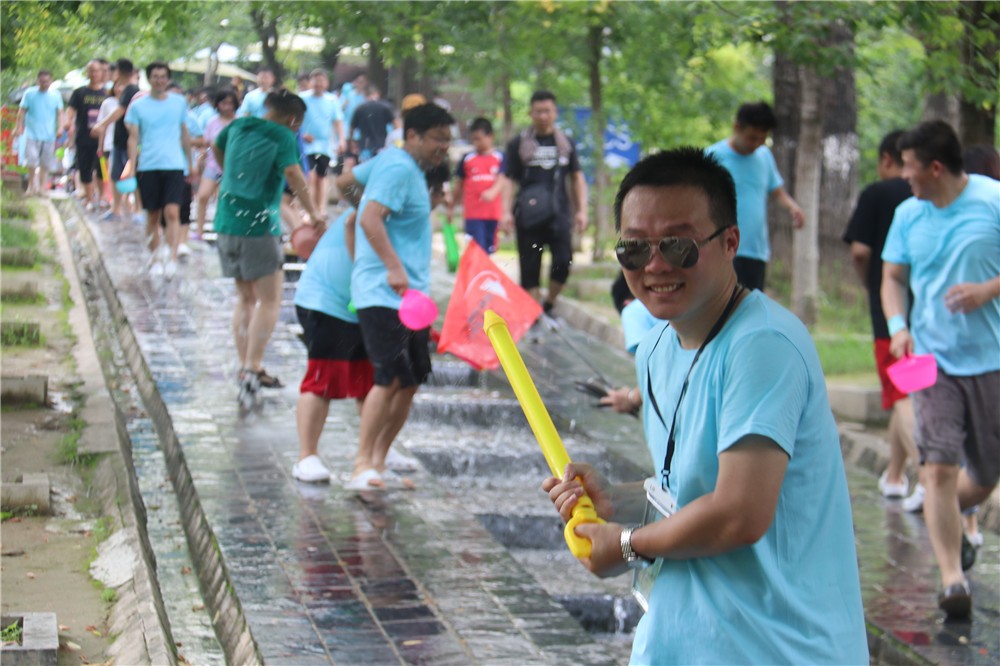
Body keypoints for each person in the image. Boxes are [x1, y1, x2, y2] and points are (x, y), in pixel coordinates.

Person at [543, 147, 868, 663]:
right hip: (680, 642)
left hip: (775, 649)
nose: (655, 265)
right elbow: (687, 491)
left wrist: (625, 543)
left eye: (679, 245)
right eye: (634, 248)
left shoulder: (762, 345)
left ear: (730, 241)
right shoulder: (656, 347)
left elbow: (738, 513)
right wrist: (617, 502)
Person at [881, 120, 999, 619]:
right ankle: (952, 579)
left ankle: (953, 510)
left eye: (909, 167)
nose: (903, 176)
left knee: (986, 475)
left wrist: (988, 290)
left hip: (992, 359)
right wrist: (898, 326)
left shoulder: (993, 201)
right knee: (939, 467)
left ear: (934, 168)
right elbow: (892, 276)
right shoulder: (908, 214)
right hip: (928, 358)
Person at [346, 103, 453, 490]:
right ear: (412, 136)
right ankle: (362, 464)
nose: (444, 147)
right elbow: (369, 217)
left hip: (411, 298)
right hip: (385, 292)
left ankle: (379, 459)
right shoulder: (397, 168)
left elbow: (345, 183)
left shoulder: (400, 167)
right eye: (437, 138)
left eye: (447, 139)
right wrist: (391, 266)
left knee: (411, 380)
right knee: (389, 377)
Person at [212, 90, 327, 403]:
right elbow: (293, 174)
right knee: (270, 300)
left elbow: (217, 149)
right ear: (292, 119)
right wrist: (314, 213)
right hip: (258, 226)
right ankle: (252, 368)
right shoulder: (283, 135)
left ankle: (246, 367)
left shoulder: (238, 125)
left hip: (226, 221)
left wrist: (233, 178)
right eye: (298, 125)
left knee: (245, 298)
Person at [842, 130, 917, 500]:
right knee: (908, 387)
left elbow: (860, 251)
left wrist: (871, 283)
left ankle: (927, 473)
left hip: (890, 311)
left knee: (902, 392)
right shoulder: (926, 194)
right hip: (927, 310)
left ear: (888, 158)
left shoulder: (877, 193)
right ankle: (895, 475)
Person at [292, 207, 373, 483]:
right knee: (322, 378)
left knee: (371, 380)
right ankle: (306, 456)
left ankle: (377, 451)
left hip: (359, 303)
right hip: (326, 300)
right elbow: (352, 223)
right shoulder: (386, 195)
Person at [499, 90, 588, 316]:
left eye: (547, 111)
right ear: (530, 113)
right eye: (538, 111)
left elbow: (577, 178)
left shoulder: (565, 143)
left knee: (563, 261)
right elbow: (508, 179)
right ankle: (534, 313)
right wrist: (505, 212)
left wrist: (582, 211)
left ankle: (549, 303)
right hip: (528, 216)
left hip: (559, 214)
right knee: (530, 268)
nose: (543, 116)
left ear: (555, 112)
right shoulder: (518, 143)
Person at [706, 101, 805, 291]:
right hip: (722, 250)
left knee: (752, 306)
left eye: (762, 138)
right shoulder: (712, 157)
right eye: (752, 137)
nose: (757, 144)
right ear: (737, 127)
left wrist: (793, 207)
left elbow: (778, 191)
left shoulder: (764, 156)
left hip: (755, 252)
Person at [124, 62, 193, 280]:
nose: (159, 80)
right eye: (155, 76)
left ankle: (171, 258)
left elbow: (184, 133)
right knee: (152, 214)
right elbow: (133, 138)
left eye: (163, 76)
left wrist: (190, 163)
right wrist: (132, 165)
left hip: (174, 165)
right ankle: (154, 256)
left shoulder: (179, 103)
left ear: (168, 79)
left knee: (172, 212)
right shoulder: (138, 107)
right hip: (148, 165)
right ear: (149, 78)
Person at [89, 59, 140, 222]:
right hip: (119, 141)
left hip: (129, 141)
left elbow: (120, 110)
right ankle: (116, 209)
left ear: (119, 72)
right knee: (115, 175)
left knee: (133, 175)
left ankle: (137, 210)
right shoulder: (125, 90)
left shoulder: (132, 89)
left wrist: (101, 125)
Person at [449, 117, 504, 255]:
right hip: (473, 214)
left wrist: (505, 210)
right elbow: (458, 185)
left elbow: (505, 181)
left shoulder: (500, 158)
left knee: (489, 251)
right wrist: (451, 207)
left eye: (479, 139)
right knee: (476, 251)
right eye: (473, 139)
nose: (476, 143)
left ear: (490, 136)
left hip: (493, 213)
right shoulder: (467, 159)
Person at [194, 89, 238, 239]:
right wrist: (198, 162)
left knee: (224, 200)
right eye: (223, 103)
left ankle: (223, 231)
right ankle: (199, 232)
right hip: (213, 165)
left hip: (232, 167)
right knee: (203, 196)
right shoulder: (212, 122)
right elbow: (205, 145)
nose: (227, 107)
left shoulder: (238, 122)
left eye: (230, 103)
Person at [64, 59, 108, 210]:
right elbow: (71, 110)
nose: (94, 74)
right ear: (87, 73)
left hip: (103, 139)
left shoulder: (107, 93)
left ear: (101, 73)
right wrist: (68, 122)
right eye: (91, 71)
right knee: (84, 168)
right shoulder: (79, 92)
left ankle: (102, 197)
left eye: (96, 71)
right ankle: (89, 198)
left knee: (102, 169)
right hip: (83, 137)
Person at [301, 69, 346, 214]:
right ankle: (309, 210)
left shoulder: (332, 100)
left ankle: (321, 209)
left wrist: (341, 139)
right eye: (315, 80)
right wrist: (301, 134)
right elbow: (295, 119)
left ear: (326, 83)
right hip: (306, 145)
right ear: (310, 82)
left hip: (325, 146)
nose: (318, 84)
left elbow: (338, 121)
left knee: (322, 177)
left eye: (321, 81)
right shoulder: (302, 98)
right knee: (310, 176)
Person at [16, 69, 64, 197]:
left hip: (49, 135)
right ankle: (31, 186)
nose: (44, 84)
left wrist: (60, 127)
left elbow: (60, 113)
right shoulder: (29, 93)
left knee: (45, 163)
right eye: (42, 81)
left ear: (51, 81)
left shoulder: (56, 95)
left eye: (47, 81)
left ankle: (42, 188)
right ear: (37, 81)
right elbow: (22, 111)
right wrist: (18, 127)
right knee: (32, 160)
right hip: (31, 133)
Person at [349, 85, 395, 163]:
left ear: (365, 95)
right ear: (377, 94)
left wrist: (351, 142)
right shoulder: (385, 107)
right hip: (382, 145)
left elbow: (352, 128)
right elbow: (396, 124)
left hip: (365, 146)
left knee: (366, 167)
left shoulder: (360, 109)